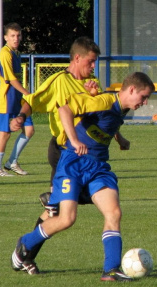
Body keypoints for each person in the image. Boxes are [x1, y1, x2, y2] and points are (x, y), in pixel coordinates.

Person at [11, 72, 155, 281]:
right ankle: (25, 242)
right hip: (73, 164)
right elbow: (64, 109)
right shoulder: (104, 101)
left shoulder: (121, 107)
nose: (145, 102)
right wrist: (74, 140)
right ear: (131, 90)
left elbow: (107, 123)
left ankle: (111, 270)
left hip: (98, 168)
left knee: (114, 213)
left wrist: (120, 139)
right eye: (143, 97)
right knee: (67, 219)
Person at [10, 37, 106, 200]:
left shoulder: (93, 83)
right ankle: (49, 206)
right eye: (90, 61)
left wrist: (119, 137)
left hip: (87, 150)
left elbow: (104, 114)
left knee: (78, 200)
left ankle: (52, 201)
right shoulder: (59, 81)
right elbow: (33, 100)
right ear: (77, 58)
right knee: (62, 204)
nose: (93, 66)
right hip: (63, 149)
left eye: (95, 62)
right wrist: (21, 116)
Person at [0, 22, 32, 177]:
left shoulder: (16, 53)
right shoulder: (5, 53)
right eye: (12, 36)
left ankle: (11, 162)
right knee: (5, 134)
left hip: (17, 100)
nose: (16, 38)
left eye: (18, 35)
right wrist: (27, 93)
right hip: (6, 100)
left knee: (29, 130)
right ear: (5, 37)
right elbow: (11, 79)